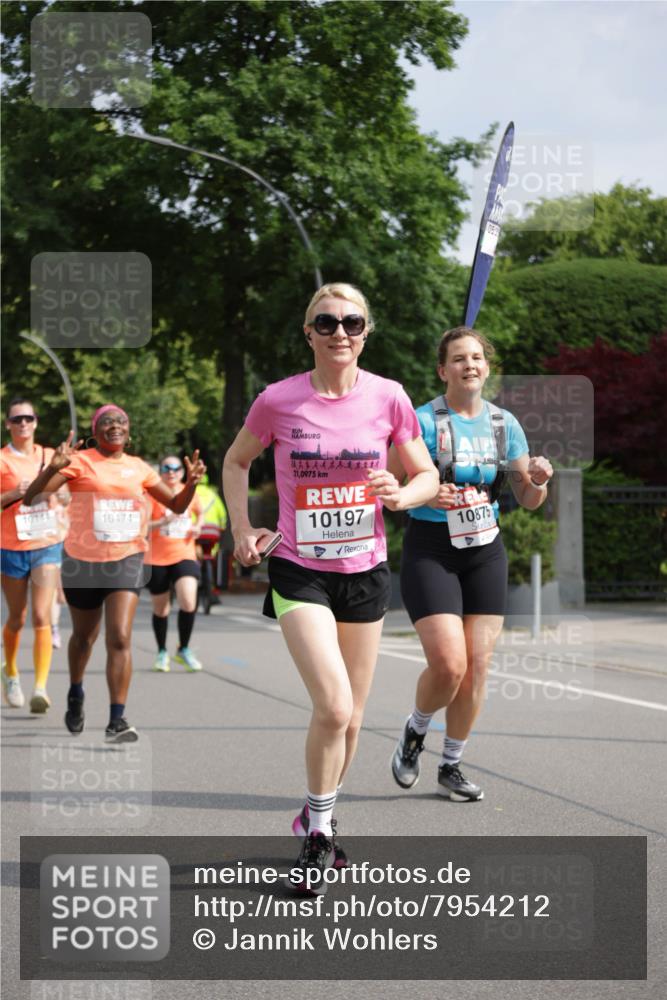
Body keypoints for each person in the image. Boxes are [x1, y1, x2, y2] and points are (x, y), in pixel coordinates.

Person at [223, 282, 438, 889]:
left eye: (351, 322)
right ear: (309, 333)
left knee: (353, 719)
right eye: (326, 322)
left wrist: (403, 494)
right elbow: (236, 460)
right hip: (300, 568)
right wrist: (241, 528)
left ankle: (318, 812)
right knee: (334, 705)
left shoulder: (390, 397)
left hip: (365, 571)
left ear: (365, 332)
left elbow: (425, 474)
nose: (339, 332)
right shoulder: (278, 399)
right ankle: (318, 837)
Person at [390, 326, 553, 800]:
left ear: (487, 366)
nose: (470, 365)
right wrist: (425, 493)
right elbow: (388, 488)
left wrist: (539, 478)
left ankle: (452, 765)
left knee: (477, 666)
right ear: (443, 370)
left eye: (477, 357)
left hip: (485, 550)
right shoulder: (421, 421)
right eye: (459, 359)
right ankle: (415, 731)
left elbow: (529, 498)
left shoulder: (505, 425)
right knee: (449, 665)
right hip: (431, 549)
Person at [23, 405, 205, 743]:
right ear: (96, 431)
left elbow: (178, 505)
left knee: (120, 637)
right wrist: (53, 467)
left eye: (121, 421)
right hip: (83, 563)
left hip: (127, 560)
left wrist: (191, 484)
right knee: (83, 638)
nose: (115, 425)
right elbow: (32, 499)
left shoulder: (139, 468)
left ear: (128, 431)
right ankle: (76, 692)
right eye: (107, 422)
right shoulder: (80, 461)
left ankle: (117, 719)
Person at [1, 397, 63, 713]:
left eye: (28, 418)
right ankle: (10, 672)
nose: (23, 423)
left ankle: (40, 687)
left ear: (36, 422)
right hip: (11, 547)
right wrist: (16, 493)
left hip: (46, 544)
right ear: (8, 425)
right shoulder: (2, 460)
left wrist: (56, 493)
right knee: (17, 617)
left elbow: (67, 494)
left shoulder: (50, 456)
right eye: (16, 419)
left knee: (42, 615)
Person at [145, 454, 204, 672]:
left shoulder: (188, 491)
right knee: (161, 609)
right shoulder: (152, 494)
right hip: (156, 558)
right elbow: (142, 525)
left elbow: (199, 513)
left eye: (176, 468)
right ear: (160, 471)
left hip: (184, 553)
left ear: (182, 471)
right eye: (166, 468)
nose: (171, 472)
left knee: (188, 600)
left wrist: (198, 526)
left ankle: (184, 649)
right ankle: (162, 652)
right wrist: (163, 521)